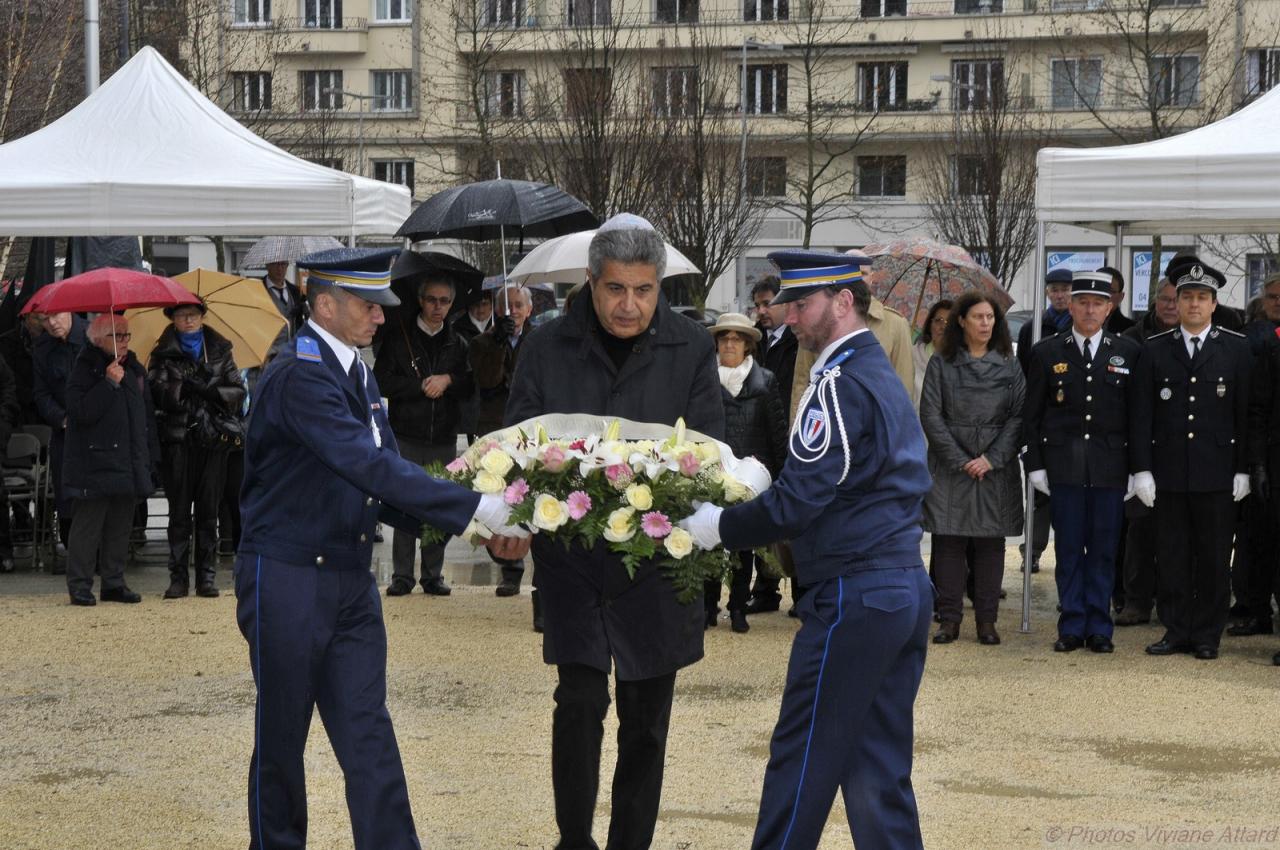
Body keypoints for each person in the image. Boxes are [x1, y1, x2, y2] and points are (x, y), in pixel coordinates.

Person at [232, 247, 524, 850]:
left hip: (348, 579)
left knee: (369, 735)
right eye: (369, 306)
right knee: (282, 740)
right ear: (325, 305)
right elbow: (365, 464)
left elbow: (385, 480)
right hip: (287, 575)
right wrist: (478, 510)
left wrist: (475, 526)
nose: (382, 317)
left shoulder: (356, 373)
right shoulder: (297, 374)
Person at [681, 248, 931, 850]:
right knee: (876, 764)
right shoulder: (876, 373)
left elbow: (800, 501)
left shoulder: (839, 382)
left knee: (803, 758)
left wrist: (719, 524)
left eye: (802, 304)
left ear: (844, 302)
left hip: (854, 590)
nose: (789, 317)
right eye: (788, 305)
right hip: (897, 586)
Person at [503, 214, 725, 850]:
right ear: (591, 285)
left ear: (661, 287)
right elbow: (519, 440)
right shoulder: (545, 345)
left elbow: (711, 450)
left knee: (647, 718)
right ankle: (573, 839)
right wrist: (514, 520)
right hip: (573, 560)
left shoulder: (692, 345)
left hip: (656, 562)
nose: (630, 305)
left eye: (645, 290)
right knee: (577, 705)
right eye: (616, 290)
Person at [1132, 259, 1252, 661]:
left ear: (1214, 304)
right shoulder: (1154, 350)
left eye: (1203, 298)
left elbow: (1246, 413)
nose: (1195, 304)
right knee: (1171, 555)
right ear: (1177, 303)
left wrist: (1243, 469)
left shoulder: (1235, 348)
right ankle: (1176, 629)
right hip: (1169, 472)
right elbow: (1142, 414)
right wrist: (1142, 469)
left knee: (1215, 558)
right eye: (1188, 297)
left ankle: (1207, 634)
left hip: (1217, 473)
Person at [1024, 271, 1142, 653]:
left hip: (1110, 468)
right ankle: (1072, 624)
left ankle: (1100, 627)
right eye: (1083, 302)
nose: (1090, 310)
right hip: (1064, 467)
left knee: (1105, 550)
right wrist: (1036, 464)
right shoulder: (1047, 351)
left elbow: (1137, 417)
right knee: (1070, 549)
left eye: (1098, 303)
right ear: (1070, 305)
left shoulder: (1127, 351)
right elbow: (1033, 415)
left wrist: (1138, 470)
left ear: (1110, 308)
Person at [920, 292, 1024, 646]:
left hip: (995, 465)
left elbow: (1019, 415)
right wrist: (961, 459)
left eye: (990, 317)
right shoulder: (941, 363)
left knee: (990, 545)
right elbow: (931, 416)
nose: (985, 323)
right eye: (978, 317)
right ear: (961, 321)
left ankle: (986, 621)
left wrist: (991, 458)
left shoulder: (1010, 363)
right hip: (952, 466)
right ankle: (948, 619)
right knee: (948, 542)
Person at [373, 272, 473, 597]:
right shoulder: (397, 338)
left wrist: (448, 380)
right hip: (406, 433)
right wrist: (419, 386)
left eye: (445, 301)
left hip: (443, 435)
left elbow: (470, 384)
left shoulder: (458, 343)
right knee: (404, 501)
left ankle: (433, 574)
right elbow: (382, 381)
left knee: (438, 504)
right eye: (432, 299)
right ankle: (402, 575)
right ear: (420, 300)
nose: (438, 307)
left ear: (452, 304)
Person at [147, 300, 246, 599]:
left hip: (212, 439)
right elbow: (157, 392)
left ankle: (206, 576)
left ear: (202, 317)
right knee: (178, 512)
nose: (187, 321)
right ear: (173, 320)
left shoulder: (219, 350)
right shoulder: (162, 352)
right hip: (179, 439)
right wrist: (182, 389)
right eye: (181, 316)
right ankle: (178, 577)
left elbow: (237, 391)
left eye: (192, 315)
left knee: (208, 510)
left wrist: (209, 389)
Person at [63, 314, 158, 606]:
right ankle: (80, 584)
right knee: (88, 526)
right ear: (98, 338)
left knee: (120, 524)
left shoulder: (134, 367)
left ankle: (114, 582)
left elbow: (145, 415)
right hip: (95, 459)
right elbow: (80, 411)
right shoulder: (84, 366)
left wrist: (149, 456)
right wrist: (107, 383)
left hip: (127, 458)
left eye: (127, 335)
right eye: (118, 336)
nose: (125, 341)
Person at [704, 312, 787, 634]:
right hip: (711, 471)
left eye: (736, 339)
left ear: (748, 345)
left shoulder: (765, 381)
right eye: (724, 338)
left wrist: (779, 476)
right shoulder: (705, 378)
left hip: (752, 474)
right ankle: (708, 606)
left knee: (743, 545)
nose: (729, 344)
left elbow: (777, 432)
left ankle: (738, 607)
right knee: (708, 539)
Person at [471, 284, 533, 597]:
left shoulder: (540, 341)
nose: (514, 310)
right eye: (507, 305)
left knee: (535, 497)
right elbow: (488, 381)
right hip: (496, 427)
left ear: (529, 309)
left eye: (519, 304)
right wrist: (498, 344)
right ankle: (509, 568)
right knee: (501, 500)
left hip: (531, 429)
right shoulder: (482, 343)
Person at [1231, 271, 1280, 638]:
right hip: (1270, 461)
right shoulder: (1258, 341)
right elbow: (1258, 409)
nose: (1277, 301)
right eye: (1272, 296)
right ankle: (1257, 611)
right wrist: (1258, 463)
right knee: (1260, 545)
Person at [789, 291, 913, 418]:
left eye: (863, 274)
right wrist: (796, 427)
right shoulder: (819, 324)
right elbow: (801, 381)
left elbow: (904, 386)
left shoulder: (895, 323)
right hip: (823, 419)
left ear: (871, 278)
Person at [32, 311, 88, 564]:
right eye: (44, 319)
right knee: (67, 496)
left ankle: (98, 556)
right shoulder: (43, 347)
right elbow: (41, 393)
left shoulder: (93, 335)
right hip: (64, 432)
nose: (52, 323)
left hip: (95, 429)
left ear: (69, 311)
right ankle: (75, 555)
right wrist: (61, 419)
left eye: (55, 316)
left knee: (96, 495)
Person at [1017, 268, 1074, 372]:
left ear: (1073, 292)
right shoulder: (1031, 328)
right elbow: (1022, 367)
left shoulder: (1080, 327)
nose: (1060, 296)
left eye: (1065, 290)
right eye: (1054, 290)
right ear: (1047, 293)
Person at [912, 299, 952, 405]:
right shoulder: (912, 355)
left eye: (950, 322)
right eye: (939, 320)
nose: (943, 326)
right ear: (930, 325)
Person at [262, 260, 308, 337]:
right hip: (267, 346)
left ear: (287, 266)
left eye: (283, 264)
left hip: (292, 346)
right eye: (275, 264)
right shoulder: (258, 290)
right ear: (267, 265)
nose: (279, 268)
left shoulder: (295, 291)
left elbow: (300, 322)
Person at [1101, 266, 1136, 334]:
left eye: (1111, 291)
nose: (1104, 295)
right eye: (1100, 290)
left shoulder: (1131, 330)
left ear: (1121, 297)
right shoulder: (1075, 324)